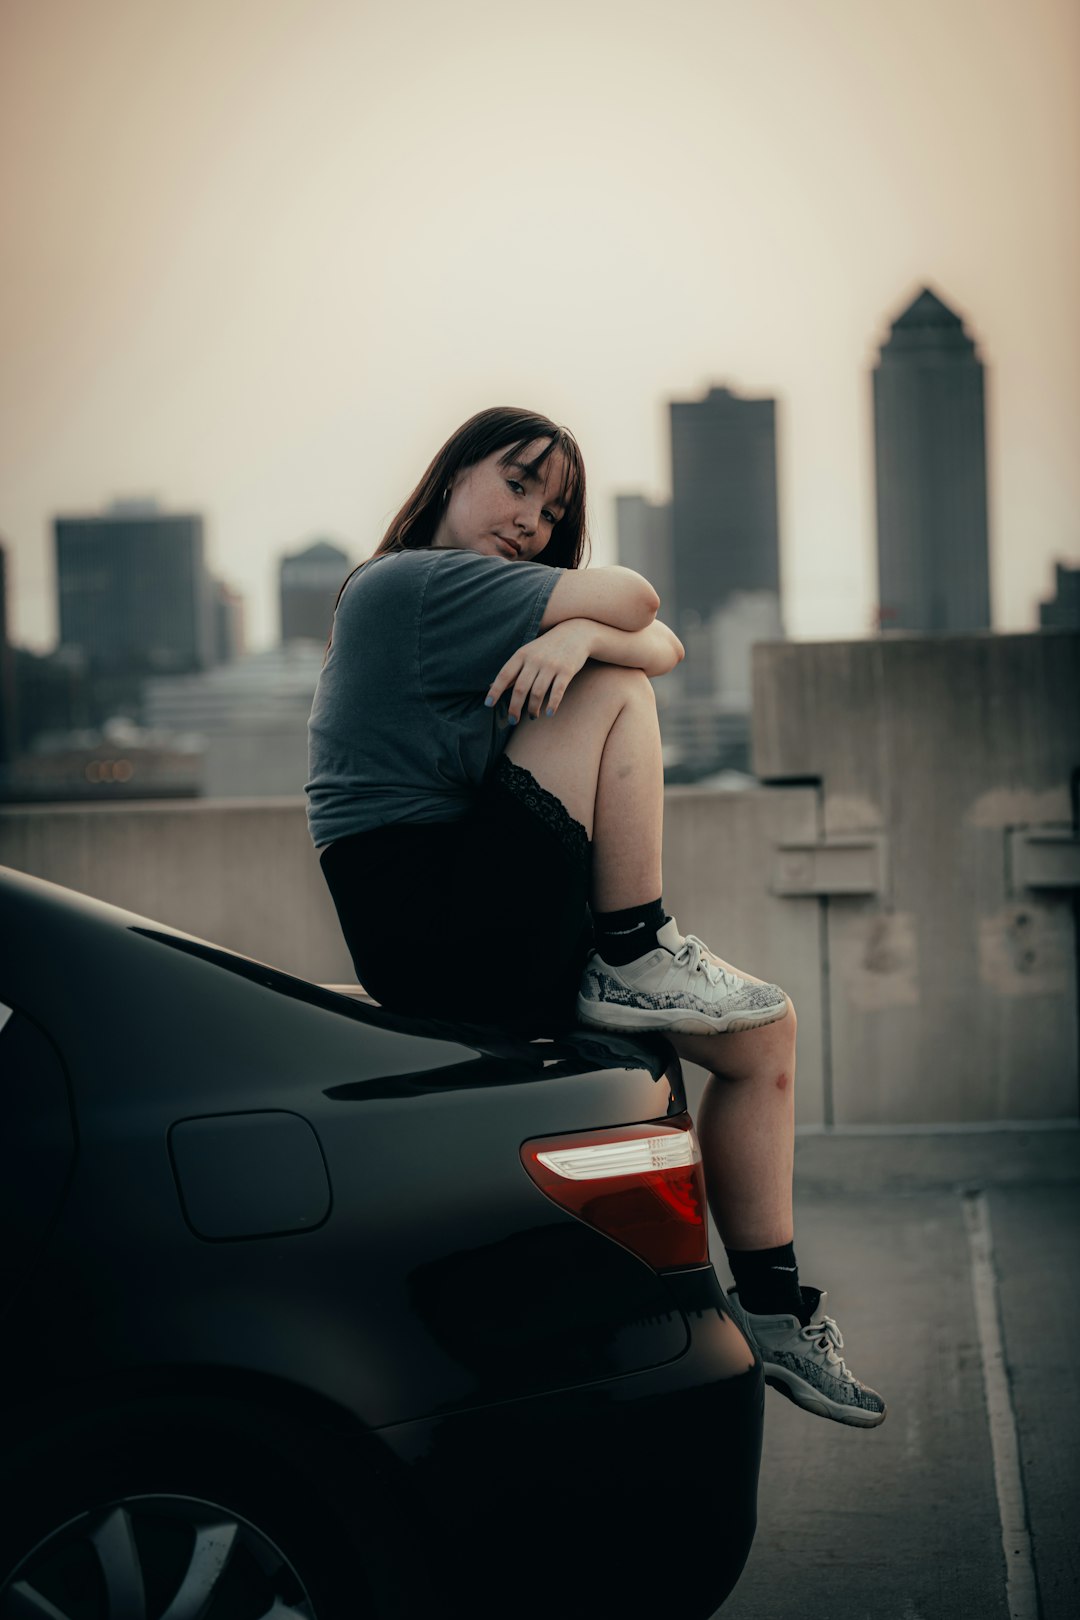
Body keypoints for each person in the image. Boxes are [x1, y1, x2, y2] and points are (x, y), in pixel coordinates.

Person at [306, 405, 885, 1428]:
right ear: (448, 480)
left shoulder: (493, 604)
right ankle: (635, 945)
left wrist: (575, 630)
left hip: (483, 911)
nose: (532, 518)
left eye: (553, 505)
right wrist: (594, 629)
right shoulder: (404, 586)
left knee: (764, 1038)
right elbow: (643, 607)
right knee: (613, 678)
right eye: (517, 483)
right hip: (430, 913)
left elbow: (651, 634)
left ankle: (778, 1315)